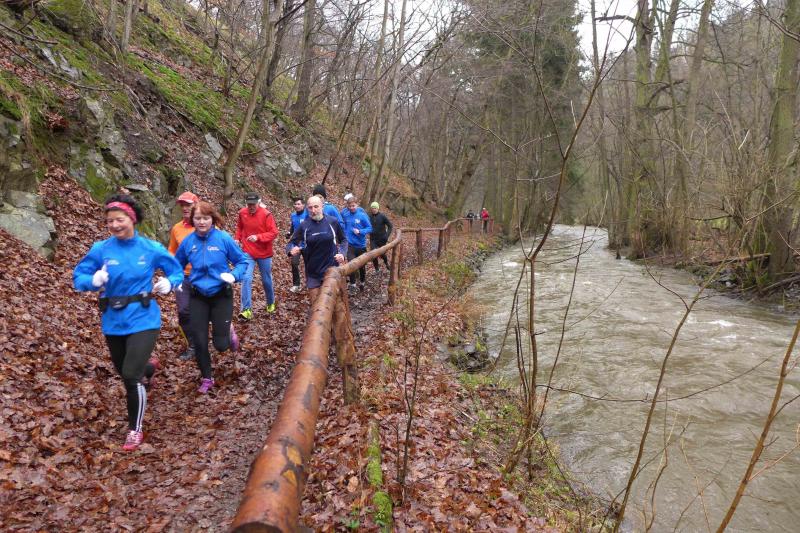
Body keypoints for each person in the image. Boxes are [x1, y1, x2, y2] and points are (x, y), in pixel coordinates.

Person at [73, 194, 184, 451]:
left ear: (131, 220)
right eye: (109, 221)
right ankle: (148, 369)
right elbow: (79, 277)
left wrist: (170, 283)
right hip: (113, 320)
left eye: (119, 220)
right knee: (124, 371)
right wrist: (93, 281)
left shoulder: (150, 248)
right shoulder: (101, 249)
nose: (114, 225)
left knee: (131, 376)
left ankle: (135, 429)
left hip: (144, 318)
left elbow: (176, 270)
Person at [175, 201, 249, 394]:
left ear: (212, 219)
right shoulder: (188, 242)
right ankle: (207, 378)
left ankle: (229, 334)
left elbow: (242, 261)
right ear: (192, 220)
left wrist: (234, 275)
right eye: (198, 218)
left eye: (205, 218)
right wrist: (172, 279)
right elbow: (176, 265)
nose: (201, 222)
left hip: (221, 294)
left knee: (221, 345)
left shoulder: (223, 238)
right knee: (199, 341)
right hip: (198, 295)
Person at [286, 195, 347, 302]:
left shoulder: (332, 222)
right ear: (307, 209)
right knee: (316, 306)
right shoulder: (304, 226)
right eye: (310, 208)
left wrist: (342, 253)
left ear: (322, 206)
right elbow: (291, 242)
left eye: (316, 207)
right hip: (313, 273)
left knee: (334, 305)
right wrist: (291, 250)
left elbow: (343, 240)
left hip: (331, 270)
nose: (313, 210)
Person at [235, 193, 279, 320]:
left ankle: (270, 303)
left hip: (264, 252)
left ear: (258, 203)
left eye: (253, 204)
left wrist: (258, 237)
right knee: (246, 278)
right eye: (249, 204)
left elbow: (274, 233)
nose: (251, 207)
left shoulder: (266, 214)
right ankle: (246, 309)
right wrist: (237, 238)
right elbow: (239, 227)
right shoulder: (242, 213)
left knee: (266, 280)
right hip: (248, 251)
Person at [168, 191, 200, 360]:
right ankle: (193, 346)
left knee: (207, 311)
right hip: (184, 276)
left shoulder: (206, 224)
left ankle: (224, 331)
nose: (185, 208)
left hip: (204, 276)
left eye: (188, 205)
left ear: (196, 205)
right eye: (183, 205)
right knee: (183, 311)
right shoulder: (177, 228)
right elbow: (172, 250)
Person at [341, 196, 372, 290]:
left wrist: (360, 231)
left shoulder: (362, 215)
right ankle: (353, 284)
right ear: (347, 206)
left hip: (361, 246)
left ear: (357, 205)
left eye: (353, 206)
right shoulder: (345, 214)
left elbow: (370, 228)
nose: (352, 208)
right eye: (350, 206)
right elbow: (341, 223)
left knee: (362, 266)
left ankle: (362, 282)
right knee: (351, 265)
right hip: (350, 245)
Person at [286, 196, 307, 293]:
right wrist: (289, 233)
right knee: (294, 263)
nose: (297, 206)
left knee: (309, 264)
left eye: (299, 204)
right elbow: (293, 226)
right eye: (295, 204)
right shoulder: (293, 215)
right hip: (296, 244)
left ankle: (311, 282)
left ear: (303, 205)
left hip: (306, 243)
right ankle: (296, 285)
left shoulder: (308, 214)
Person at [368, 201, 393, 272]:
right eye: (372, 208)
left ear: (378, 208)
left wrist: (386, 235)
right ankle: (376, 269)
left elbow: (390, 226)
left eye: (375, 208)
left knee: (382, 254)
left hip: (382, 238)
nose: (374, 209)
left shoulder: (382, 216)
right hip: (373, 239)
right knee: (373, 253)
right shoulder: (369, 217)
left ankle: (386, 263)